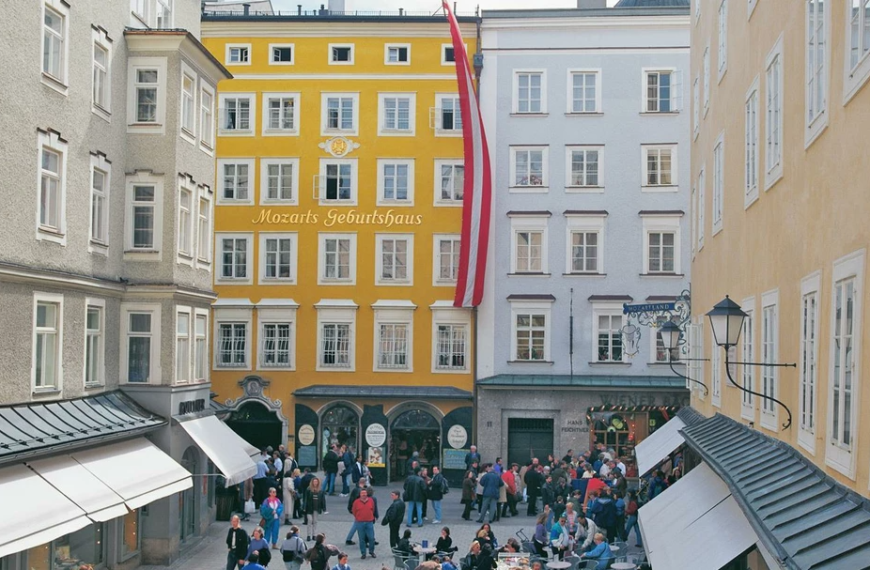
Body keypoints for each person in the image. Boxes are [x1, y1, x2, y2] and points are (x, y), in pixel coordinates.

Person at [351, 489, 377, 559]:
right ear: (360, 494)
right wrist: (359, 517)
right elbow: (354, 511)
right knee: (361, 539)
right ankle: (363, 553)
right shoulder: (356, 502)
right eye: (362, 493)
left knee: (371, 538)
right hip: (360, 522)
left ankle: (371, 551)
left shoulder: (371, 501)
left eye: (365, 493)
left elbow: (373, 509)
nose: (364, 495)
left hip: (369, 522)